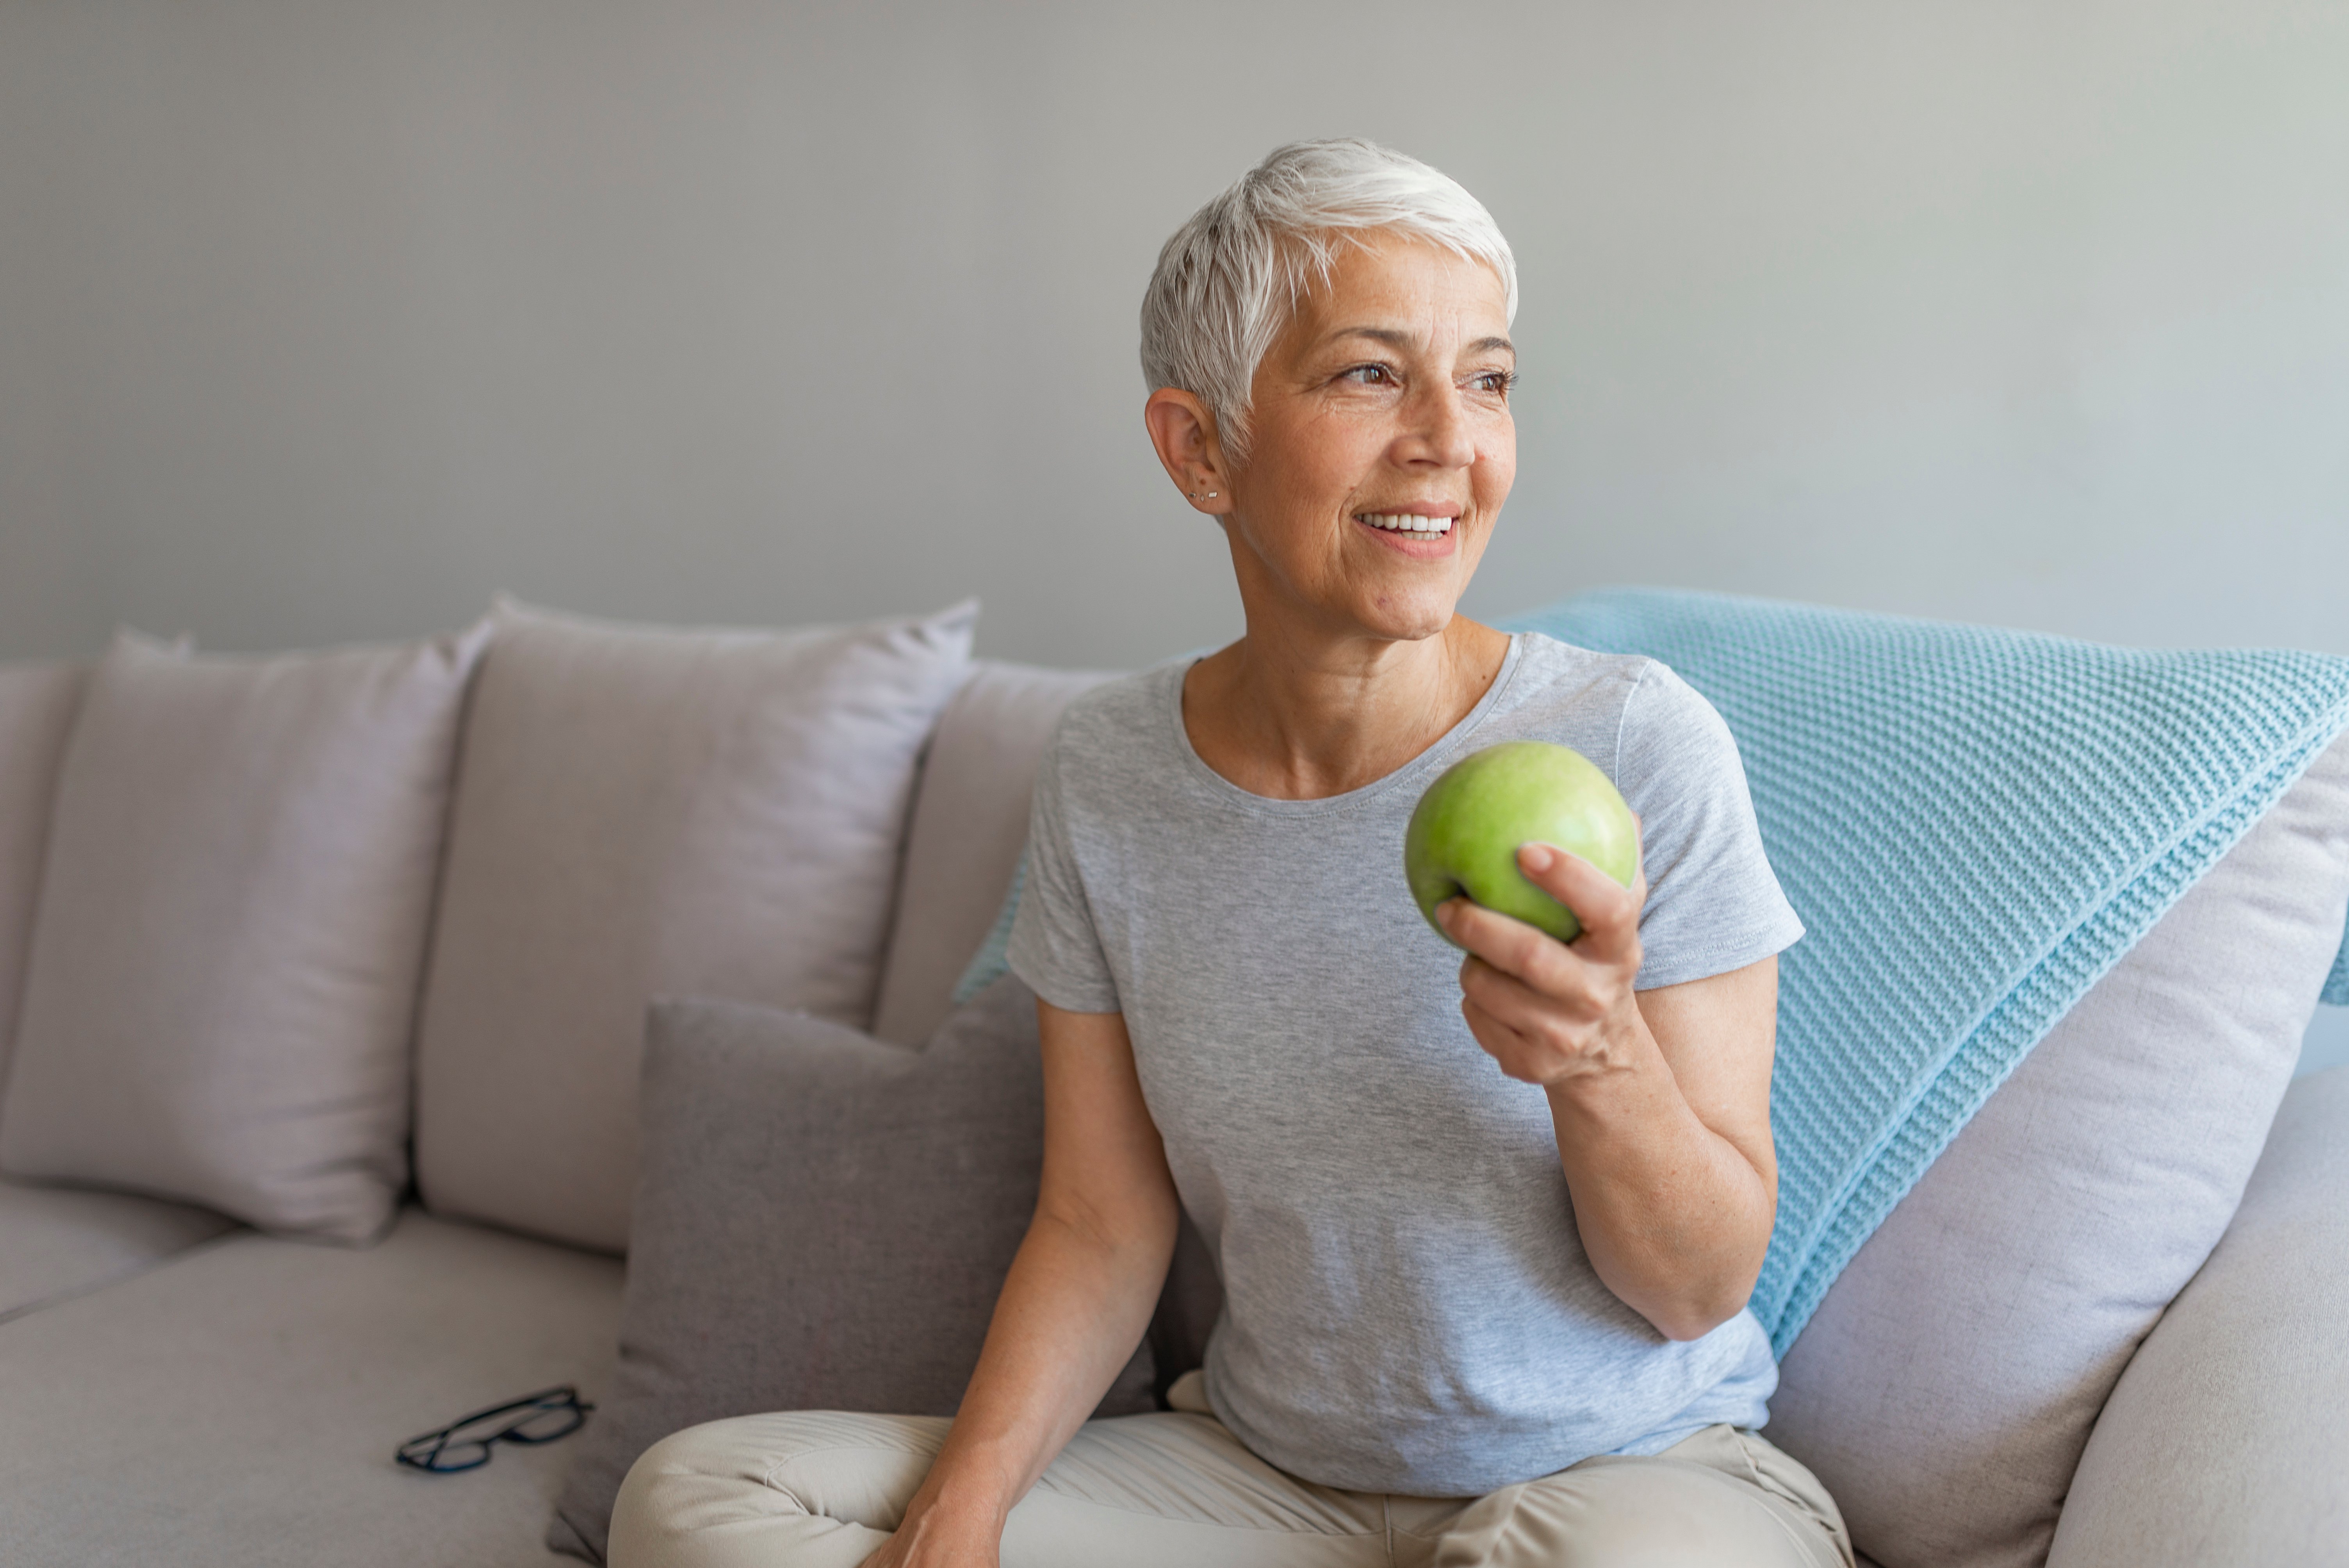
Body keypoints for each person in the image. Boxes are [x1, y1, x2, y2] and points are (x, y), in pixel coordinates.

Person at [610, 138, 1853, 1568]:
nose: (1451, 435)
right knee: (700, 1502)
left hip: (1631, 1478)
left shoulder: (1634, 743)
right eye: (1371, 373)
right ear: (1201, 448)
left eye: (1491, 378)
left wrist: (1599, 1062)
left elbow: (1700, 1289)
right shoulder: (1109, 771)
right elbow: (1096, 1220)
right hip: (1265, 1488)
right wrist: (962, 1515)